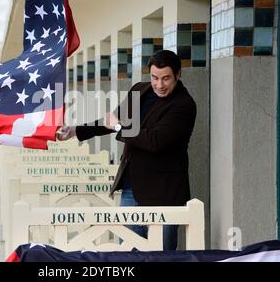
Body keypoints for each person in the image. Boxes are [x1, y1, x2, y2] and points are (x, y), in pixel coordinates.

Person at [57, 50, 197, 250]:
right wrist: (76, 130)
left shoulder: (184, 105)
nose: (159, 85)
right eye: (155, 78)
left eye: (166, 78)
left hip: (165, 193)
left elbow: (154, 140)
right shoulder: (140, 90)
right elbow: (112, 120)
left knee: (163, 256)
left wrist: (118, 127)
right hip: (131, 188)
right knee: (128, 252)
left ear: (178, 74)